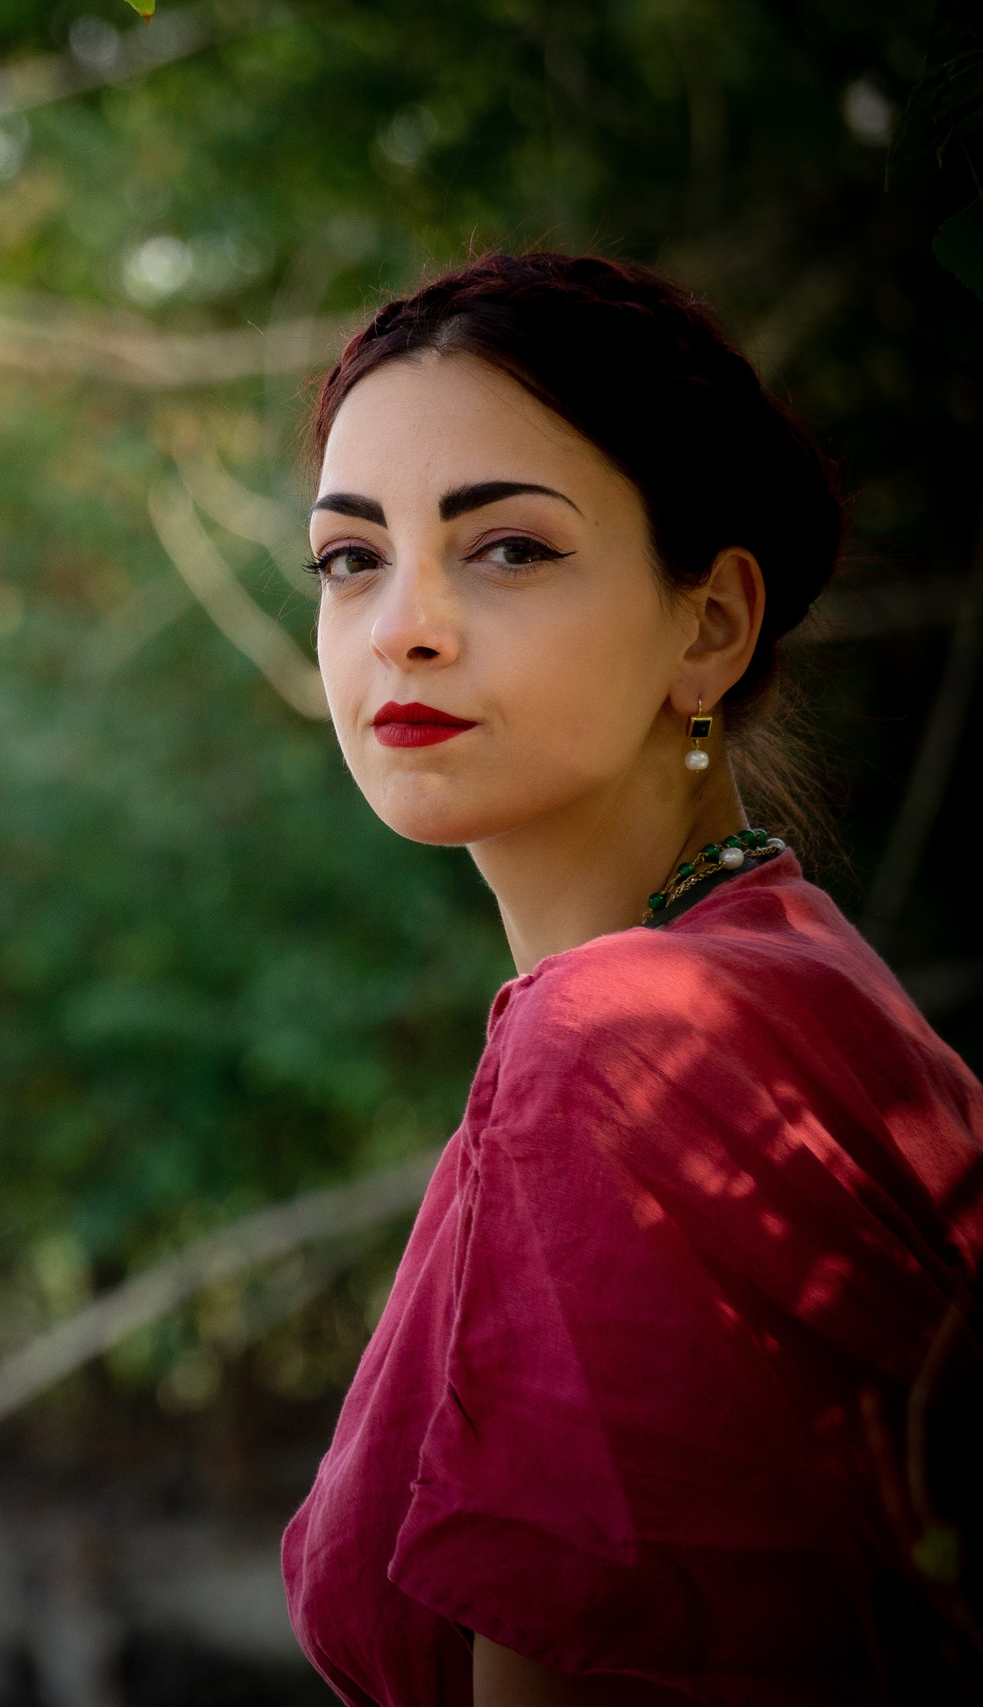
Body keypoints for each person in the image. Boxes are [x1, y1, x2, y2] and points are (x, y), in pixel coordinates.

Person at [278, 253, 983, 1705]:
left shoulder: (622, 1044)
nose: (403, 623)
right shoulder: (779, 976)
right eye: (353, 557)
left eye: (509, 549)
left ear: (709, 627)